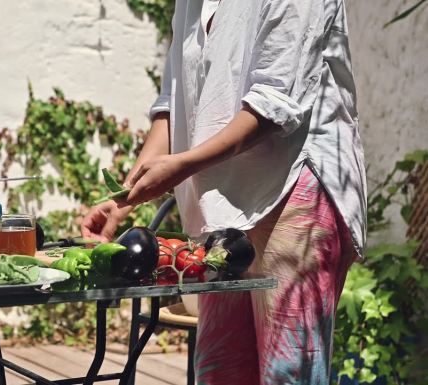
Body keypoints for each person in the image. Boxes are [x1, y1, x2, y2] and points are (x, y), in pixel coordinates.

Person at [81, 0, 366, 384]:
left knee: (287, 375)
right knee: (219, 370)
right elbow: (173, 101)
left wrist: (185, 164)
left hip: (295, 190)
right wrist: (124, 197)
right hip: (222, 205)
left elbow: (275, 103)